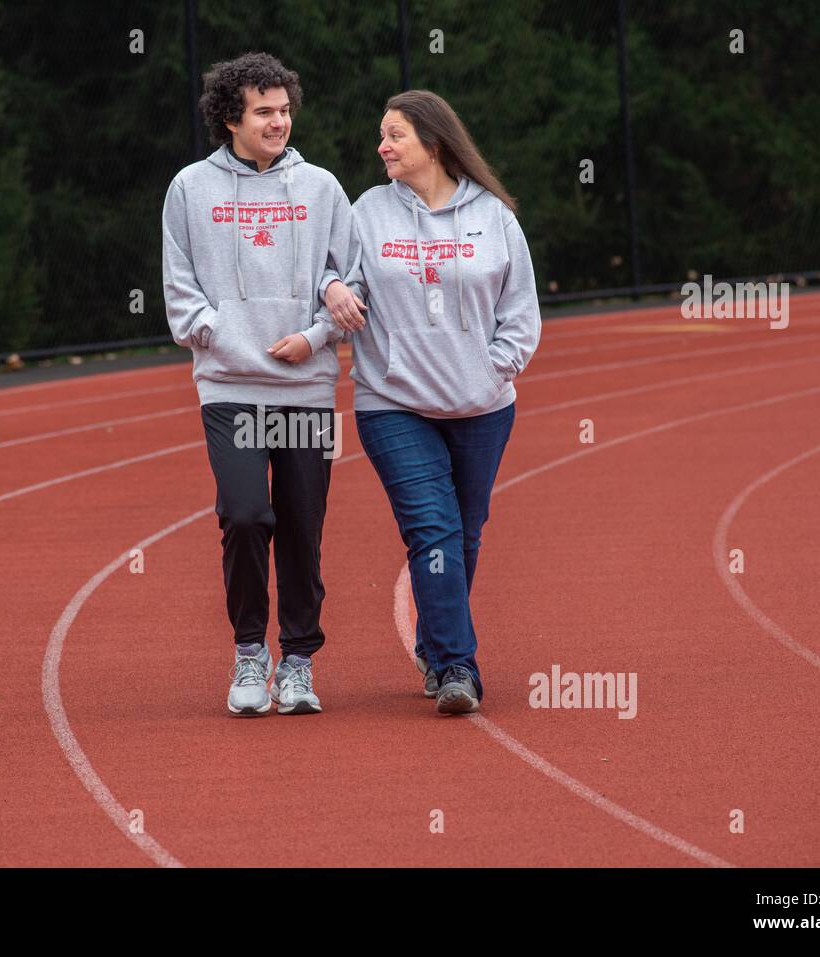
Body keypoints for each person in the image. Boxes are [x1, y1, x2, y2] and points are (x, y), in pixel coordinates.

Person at [321, 90, 542, 714]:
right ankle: (455, 668)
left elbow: (520, 313)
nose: (381, 146)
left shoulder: (494, 216)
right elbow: (333, 274)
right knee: (434, 531)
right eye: (382, 135)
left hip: (483, 407)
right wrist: (334, 286)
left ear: (435, 143)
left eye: (394, 136)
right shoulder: (367, 212)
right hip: (394, 403)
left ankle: (434, 641)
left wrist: (489, 371)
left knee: (465, 534)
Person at [162, 52, 355, 716]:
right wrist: (235, 341)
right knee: (245, 515)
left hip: (305, 387)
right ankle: (251, 649)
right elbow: (181, 298)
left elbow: (350, 281)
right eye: (264, 112)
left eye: (284, 109)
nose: (280, 122)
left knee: (303, 524)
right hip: (230, 385)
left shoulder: (323, 188)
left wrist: (316, 336)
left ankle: (298, 660)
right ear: (230, 118)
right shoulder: (189, 188)